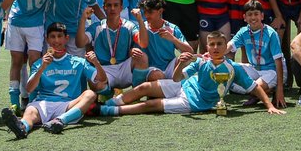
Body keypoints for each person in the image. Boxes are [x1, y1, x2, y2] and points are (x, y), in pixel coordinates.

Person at [100, 32, 283, 116]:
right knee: (144, 87)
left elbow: (255, 87)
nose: (216, 48)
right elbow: (176, 78)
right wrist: (180, 63)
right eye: (212, 45)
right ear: (208, 47)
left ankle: (109, 111)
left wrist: (269, 106)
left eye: (220, 44)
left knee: (151, 105)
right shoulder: (202, 62)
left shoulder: (234, 68)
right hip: (183, 86)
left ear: (225, 46)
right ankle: (108, 102)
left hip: (194, 102)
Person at [1, 23, 109, 137]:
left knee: (90, 94)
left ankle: (60, 121)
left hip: (68, 105)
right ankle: (22, 127)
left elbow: (103, 79)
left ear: (66, 38)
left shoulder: (79, 62)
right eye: (52, 36)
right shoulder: (39, 63)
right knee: (30, 112)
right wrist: (43, 67)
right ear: (47, 39)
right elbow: (29, 89)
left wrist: (96, 63)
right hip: (43, 103)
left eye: (59, 36)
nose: (56, 40)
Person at [229, 0, 287, 109]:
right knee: (229, 73)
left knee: (253, 87)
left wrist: (280, 89)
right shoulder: (243, 31)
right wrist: (211, 53)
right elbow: (229, 46)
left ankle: (269, 90)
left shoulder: (271, 33)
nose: (253, 17)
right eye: (249, 15)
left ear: (262, 16)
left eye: (256, 14)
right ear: (244, 17)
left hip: (272, 70)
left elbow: (278, 62)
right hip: (255, 69)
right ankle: (265, 91)